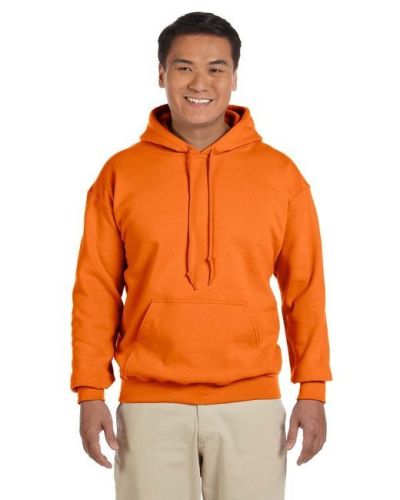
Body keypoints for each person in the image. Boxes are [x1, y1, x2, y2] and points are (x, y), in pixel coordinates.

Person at [70, 11, 333, 500]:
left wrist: (312, 389)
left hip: (251, 401)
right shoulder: (120, 174)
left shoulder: (280, 176)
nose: (200, 83)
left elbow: (305, 288)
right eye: (184, 67)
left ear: (234, 77)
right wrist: (90, 392)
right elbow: (96, 290)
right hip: (149, 405)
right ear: (161, 74)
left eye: (216, 68)